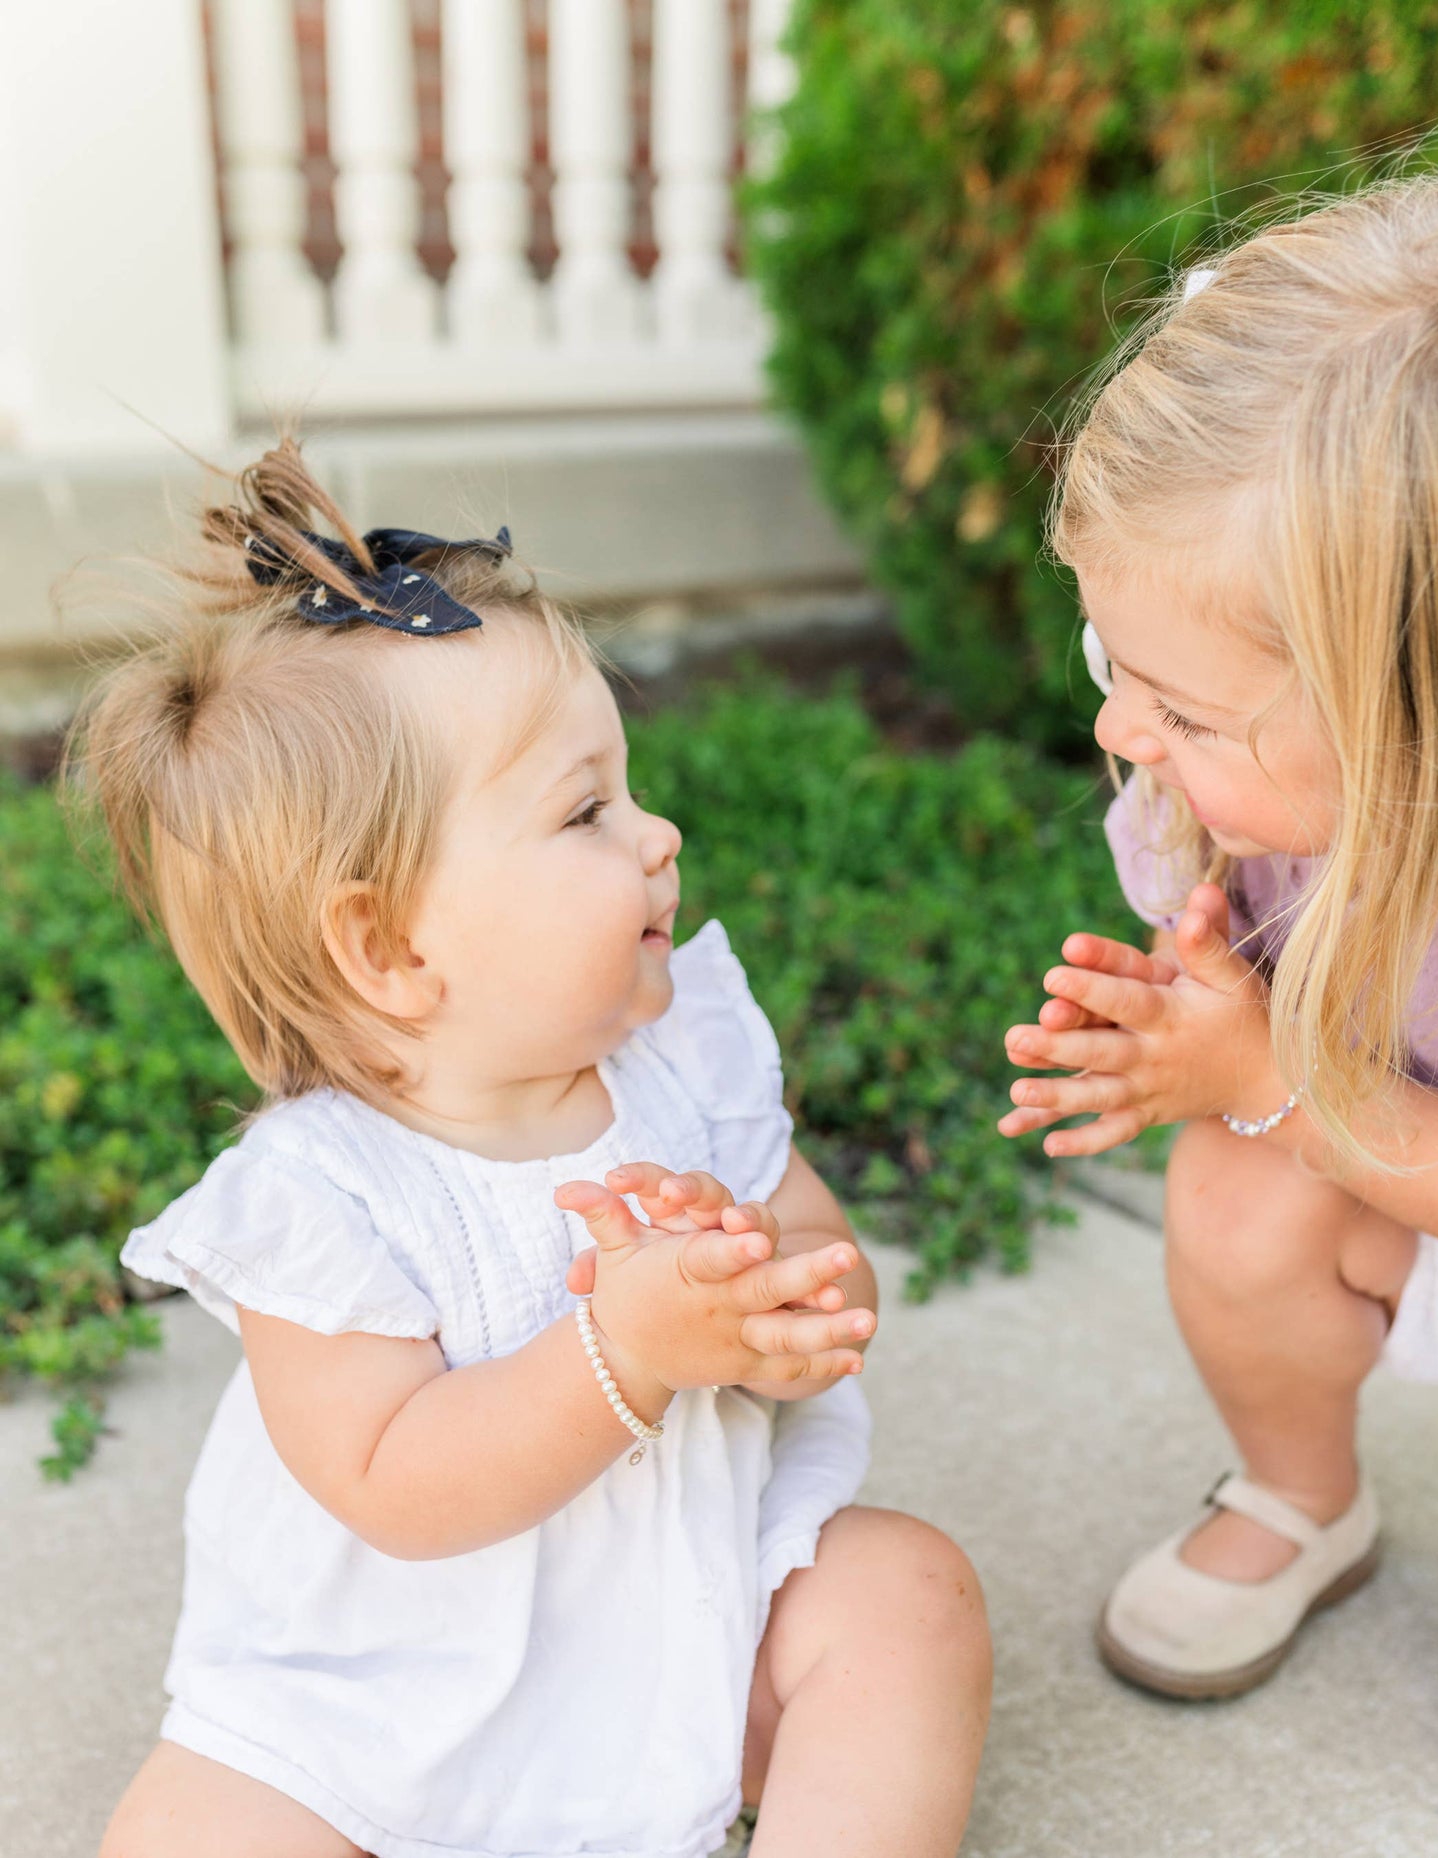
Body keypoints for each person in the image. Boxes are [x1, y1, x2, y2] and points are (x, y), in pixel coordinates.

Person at [87, 441, 990, 1858]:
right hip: (381, 1697)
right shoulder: (316, 1199)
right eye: (585, 812)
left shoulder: (681, 1059)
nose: (657, 832)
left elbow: (832, 1266)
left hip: (684, 1617)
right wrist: (622, 1353)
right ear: (386, 945)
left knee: (906, 1598)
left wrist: (774, 1304)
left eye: (625, 790)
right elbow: (396, 1483)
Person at [999, 175, 1438, 1700]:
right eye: (1110, 662)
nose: (1121, 728)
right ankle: (1301, 1493)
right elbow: (1256, 1075)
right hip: (1386, 1159)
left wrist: (1260, 1071)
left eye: (1183, 710)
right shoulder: (1239, 817)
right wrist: (1193, 1032)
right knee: (1237, 1198)